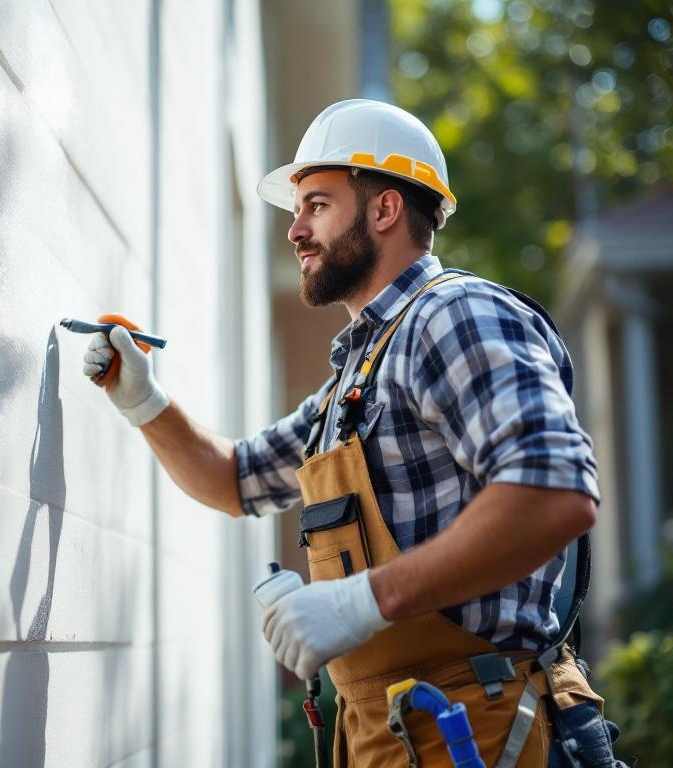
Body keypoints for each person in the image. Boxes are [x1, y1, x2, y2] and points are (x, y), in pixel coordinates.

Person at [81, 99, 620, 767]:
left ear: (384, 210)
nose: (294, 230)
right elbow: (234, 479)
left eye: (316, 204)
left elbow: (554, 493)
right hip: (394, 733)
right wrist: (142, 399)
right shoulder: (355, 378)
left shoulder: (454, 315)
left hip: (484, 730)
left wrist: (365, 599)